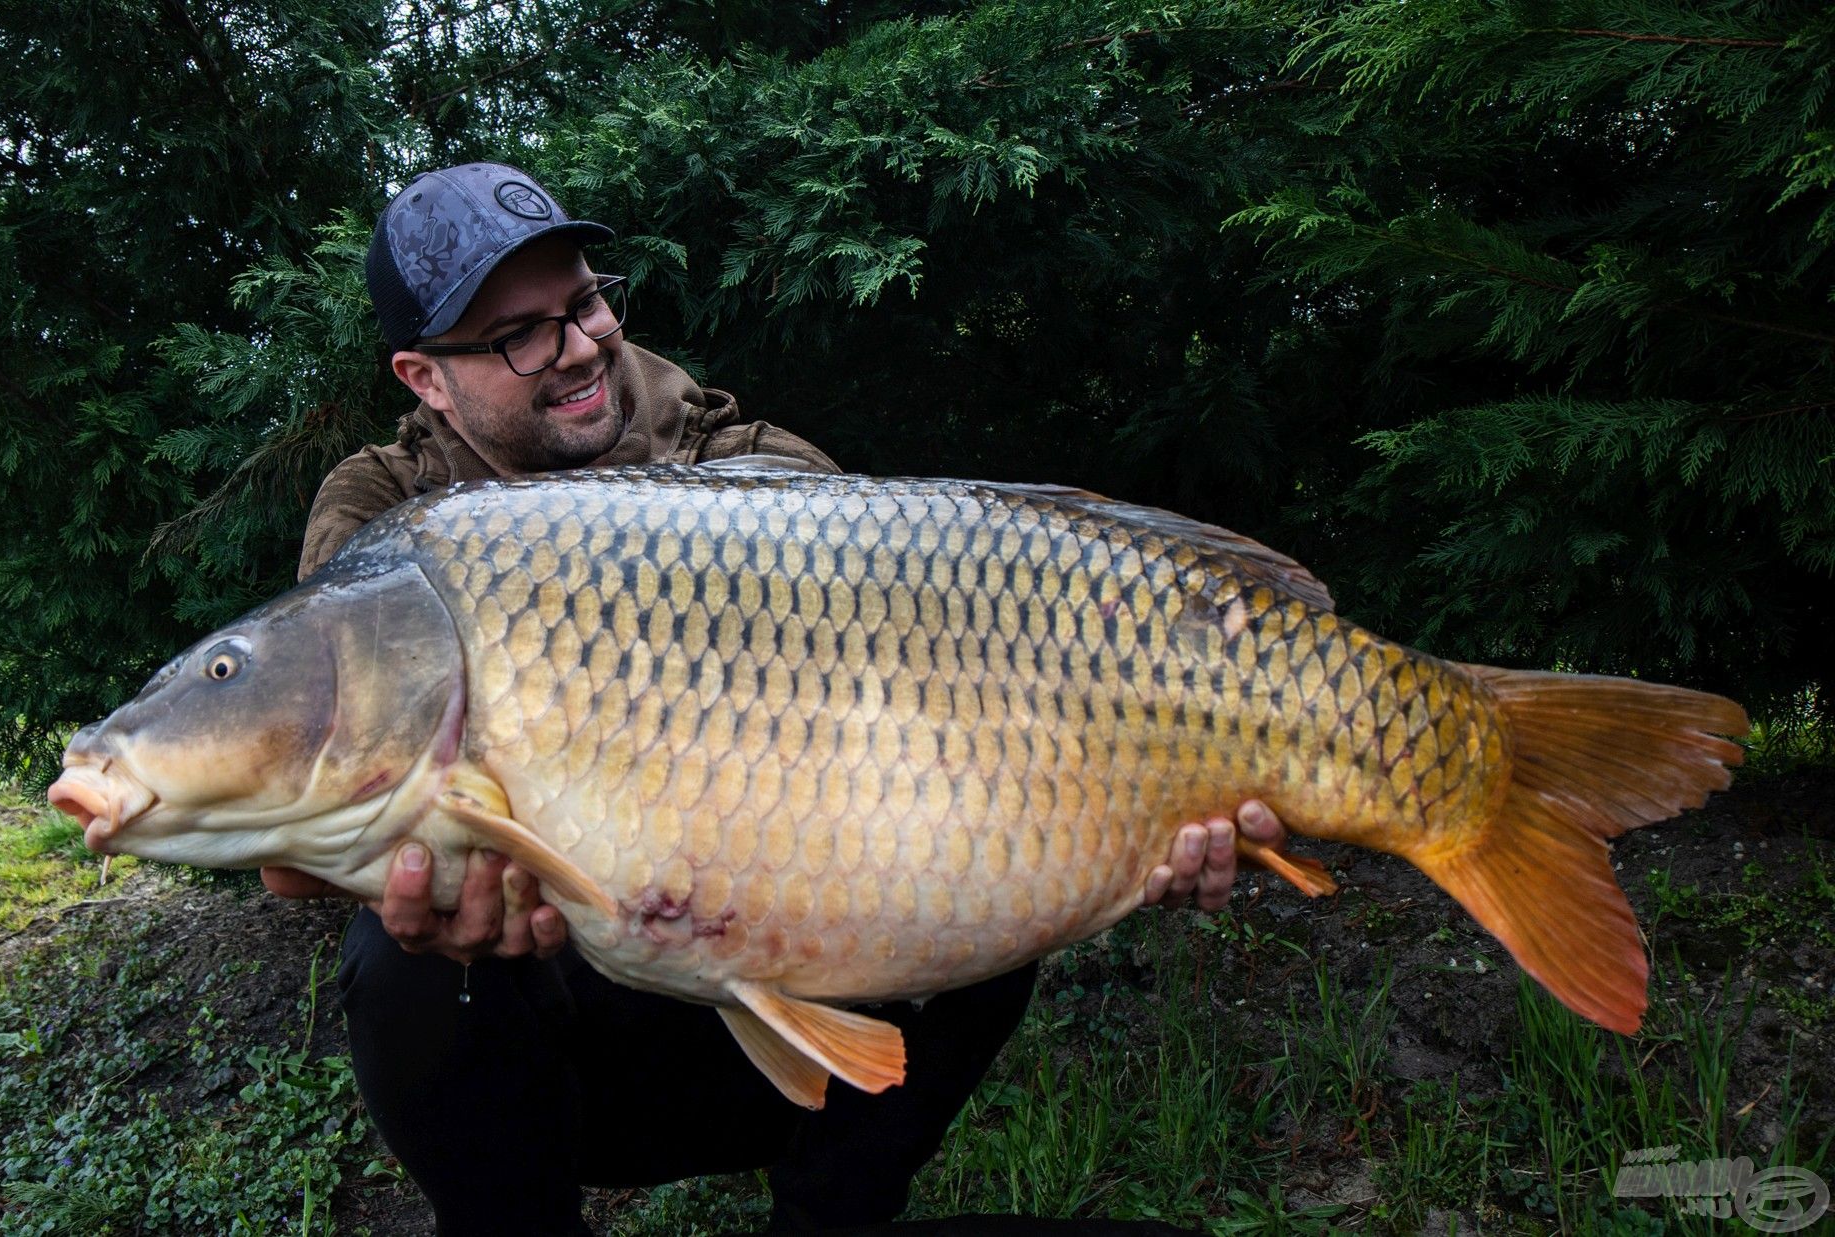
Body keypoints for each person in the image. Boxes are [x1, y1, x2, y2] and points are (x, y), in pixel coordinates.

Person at [262, 162, 1291, 1235]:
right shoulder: (384, 523)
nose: (577, 346)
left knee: (991, 856)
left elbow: (930, 737)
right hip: (565, 1013)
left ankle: (832, 1210)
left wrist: (1137, 814)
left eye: (585, 303)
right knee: (402, 957)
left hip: (781, 961)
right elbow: (300, 835)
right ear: (425, 379)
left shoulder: (752, 472)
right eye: (520, 336)